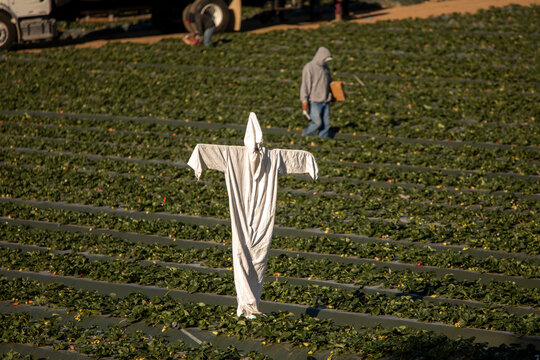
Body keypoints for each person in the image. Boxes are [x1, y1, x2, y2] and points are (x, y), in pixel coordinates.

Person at [300, 47, 333, 138]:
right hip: (314, 100)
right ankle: (305, 135)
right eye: (325, 59)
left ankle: (322, 140)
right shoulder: (309, 67)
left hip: (325, 100)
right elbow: (305, 85)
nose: (326, 61)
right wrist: (304, 101)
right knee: (317, 123)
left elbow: (329, 81)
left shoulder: (325, 67)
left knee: (326, 124)